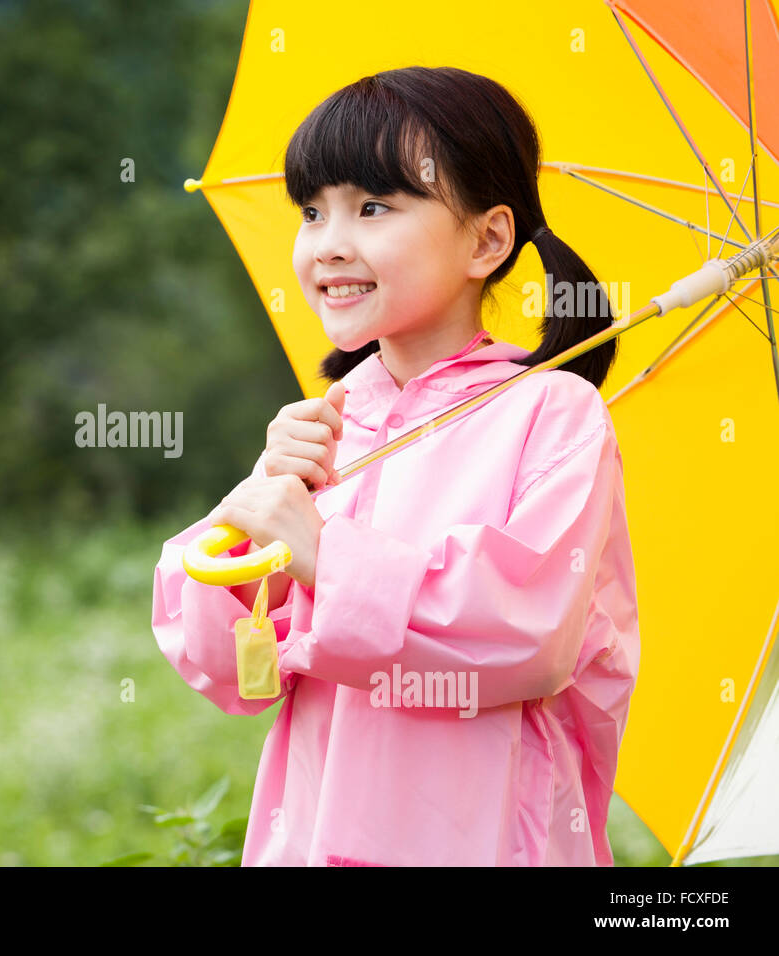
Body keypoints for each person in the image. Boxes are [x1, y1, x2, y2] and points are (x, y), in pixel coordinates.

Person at [150, 66, 640, 866]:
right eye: (313, 211)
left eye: (374, 207)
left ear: (487, 239)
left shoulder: (549, 415)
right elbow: (233, 672)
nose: (330, 242)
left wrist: (324, 555)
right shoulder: (324, 429)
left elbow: (526, 637)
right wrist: (255, 515)